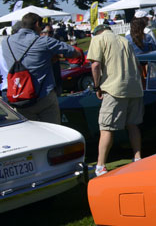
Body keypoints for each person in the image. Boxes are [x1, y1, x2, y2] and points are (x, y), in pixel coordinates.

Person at [87, 24, 144, 175]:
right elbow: (137, 65)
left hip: (114, 88)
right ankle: (138, 157)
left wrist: (96, 86)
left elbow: (95, 65)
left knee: (106, 128)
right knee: (133, 125)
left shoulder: (98, 39)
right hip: (134, 88)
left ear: (97, 32)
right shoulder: (124, 40)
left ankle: (100, 165)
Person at [2, 12, 78, 123]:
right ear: (37, 24)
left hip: (19, 96)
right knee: (53, 133)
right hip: (43, 95)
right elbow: (73, 52)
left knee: (30, 135)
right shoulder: (43, 41)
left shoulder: (6, 42)